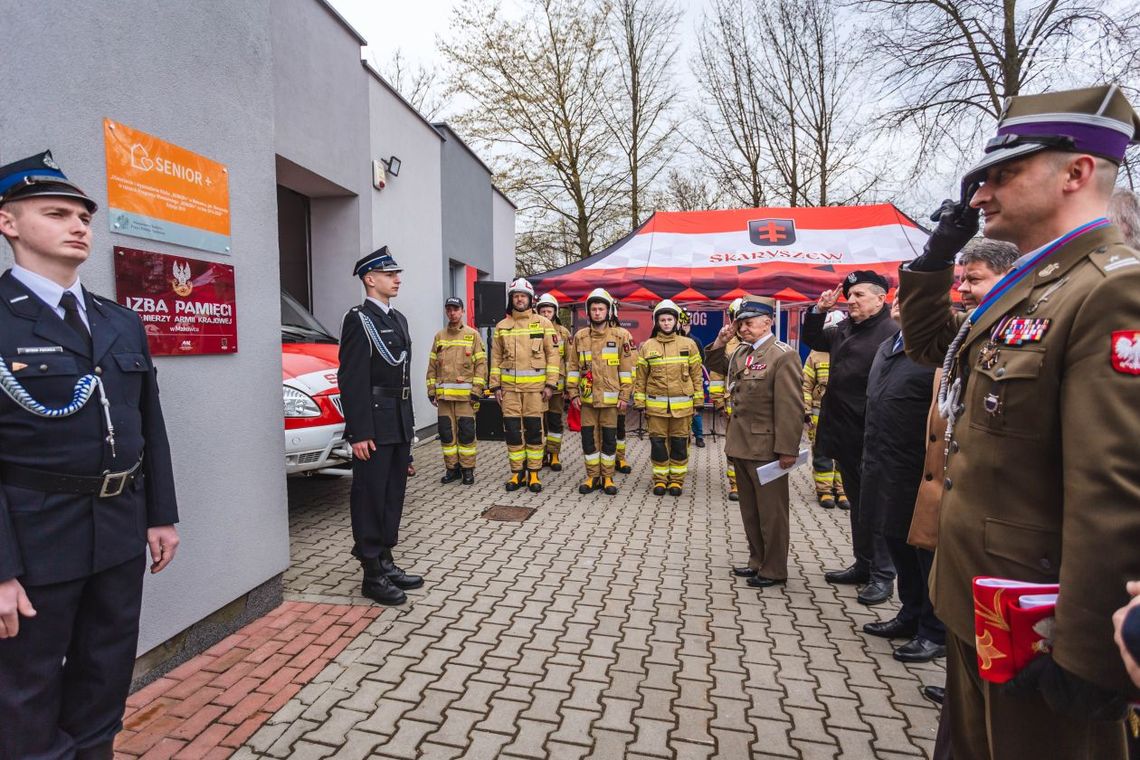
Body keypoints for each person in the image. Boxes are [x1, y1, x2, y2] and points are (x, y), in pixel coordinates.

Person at [899, 85, 1140, 759]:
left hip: (1041, 625)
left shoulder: (1111, 288)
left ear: (1076, 172)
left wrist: (1089, 655)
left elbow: (1116, 488)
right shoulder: (1034, 285)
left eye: (1003, 174)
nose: (980, 194)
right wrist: (936, 254)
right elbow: (931, 346)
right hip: (978, 600)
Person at [0, 151, 180, 759]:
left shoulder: (120, 321)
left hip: (119, 530)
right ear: (8, 223)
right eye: (57, 214)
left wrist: (160, 515)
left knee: (105, 674)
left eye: (84, 216)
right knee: (25, 691)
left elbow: (149, 425)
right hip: (34, 538)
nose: (78, 225)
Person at [803, 271, 899, 606]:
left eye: (859, 295)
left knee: (879, 509)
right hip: (843, 433)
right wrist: (818, 311)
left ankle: (883, 575)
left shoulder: (892, 332)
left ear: (881, 298)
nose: (851, 300)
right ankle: (863, 564)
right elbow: (813, 339)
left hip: (874, 435)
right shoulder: (845, 328)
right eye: (850, 295)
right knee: (858, 505)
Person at [859, 300, 945, 664]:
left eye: (908, 298)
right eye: (898, 297)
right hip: (884, 462)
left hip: (919, 469)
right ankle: (910, 614)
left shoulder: (939, 350)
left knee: (925, 553)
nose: (900, 303)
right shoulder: (888, 345)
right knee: (896, 540)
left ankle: (934, 632)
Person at [339, 247, 424, 606]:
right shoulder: (358, 320)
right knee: (370, 496)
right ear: (370, 279)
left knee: (392, 495)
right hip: (374, 423)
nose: (397, 279)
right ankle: (371, 573)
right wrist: (359, 432)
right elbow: (351, 379)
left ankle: (386, 560)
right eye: (390, 274)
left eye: (397, 274)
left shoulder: (398, 318)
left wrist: (409, 429)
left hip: (397, 421)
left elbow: (403, 379)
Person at [706, 297, 802, 588]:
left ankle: (774, 569)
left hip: (767, 448)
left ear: (767, 322)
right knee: (750, 511)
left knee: (772, 514)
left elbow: (790, 407)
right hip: (741, 444)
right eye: (740, 323)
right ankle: (756, 560)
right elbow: (715, 364)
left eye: (748, 323)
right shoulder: (742, 352)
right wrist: (721, 341)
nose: (743, 328)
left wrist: (788, 450)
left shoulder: (782, 355)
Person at [489, 278, 558, 493]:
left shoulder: (543, 324)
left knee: (535, 431)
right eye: (516, 296)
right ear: (511, 299)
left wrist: (550, 384)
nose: (519, 299)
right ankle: (517, 473)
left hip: (535, 391)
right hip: (509, 390)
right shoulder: (502, 326)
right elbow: (495, 358)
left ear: (530, 299)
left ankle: (534, 473)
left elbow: (553, 356)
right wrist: (495, 387)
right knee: (512, 432)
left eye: (523, 296)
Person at [566, 288, 633, 495]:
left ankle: (608, 477)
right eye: (593, 309)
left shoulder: (620, 336)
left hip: (611, 402)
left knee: (610, 440)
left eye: (601, 309)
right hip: (587, 401)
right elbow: (572, 367)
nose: (597, 313)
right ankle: (592, 477)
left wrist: (624, 396)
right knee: (589, 439)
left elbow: (626, 370)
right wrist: (573, 393)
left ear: (608, 311)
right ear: (588, 311)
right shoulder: (580, 337)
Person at [633, 300, 703, 496]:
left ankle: (676, 481)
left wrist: (698, 401)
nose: (666, 323)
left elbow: (697, 375)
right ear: (656, 322)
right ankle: (660, 479)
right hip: (656, 408)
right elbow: (640, 377)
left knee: (680, 443)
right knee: (658, 444)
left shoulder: (689, 344)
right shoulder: (648, 346)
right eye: (662, 320)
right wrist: (639, 402)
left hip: (683, 408)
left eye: (669, 319)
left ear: (676, 321)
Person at [425, 296, 486, 485]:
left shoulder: (473, 335)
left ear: (463, 311)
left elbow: (481, 365)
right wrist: (431, 390)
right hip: (444, 398)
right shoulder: (439, 336)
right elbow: (432, 365)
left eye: (456, 309)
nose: (452, 313)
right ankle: (452, 469)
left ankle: (468, 470)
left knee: (466, 434)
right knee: (447, 434)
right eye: (449, 310)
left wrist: (477, 390)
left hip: (466, 398)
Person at [802, 311, 848, 510]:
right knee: (822, 453)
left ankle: (842, 490)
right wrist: (806, 412)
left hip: (844, 413)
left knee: (844, 454)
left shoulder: (850, 350)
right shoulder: (815, 355)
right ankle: (824, 491)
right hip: (819, 413)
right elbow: (805, 386)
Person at [707, 297, 743, 501]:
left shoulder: (761, 344)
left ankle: (753, 482)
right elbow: (717, 375)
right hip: (733, 408)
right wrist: (719, 402)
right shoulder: (727, 344)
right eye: (737, 318)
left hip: (758, 410)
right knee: (733, 447)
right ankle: (735, 484)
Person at [535, 293, 571, 471]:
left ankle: (554, 454)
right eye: (543, 311)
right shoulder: (532, 330)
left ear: (555, 312)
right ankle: (541, 455)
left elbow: (569, 361)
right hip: (537, 385)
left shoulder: (563, 333)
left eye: (549, 311)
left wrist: (569, 387)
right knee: (539, 422)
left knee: (555, 420)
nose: (546, 314)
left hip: (557, 386)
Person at [678, 311, 707, 448]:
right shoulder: (674, 341)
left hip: (692, 379)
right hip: (677, 382)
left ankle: (699, 436)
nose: (684, 327)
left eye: (686, 325)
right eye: (682, 325)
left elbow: (702, 360)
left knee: (696, 411)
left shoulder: (695, 341)